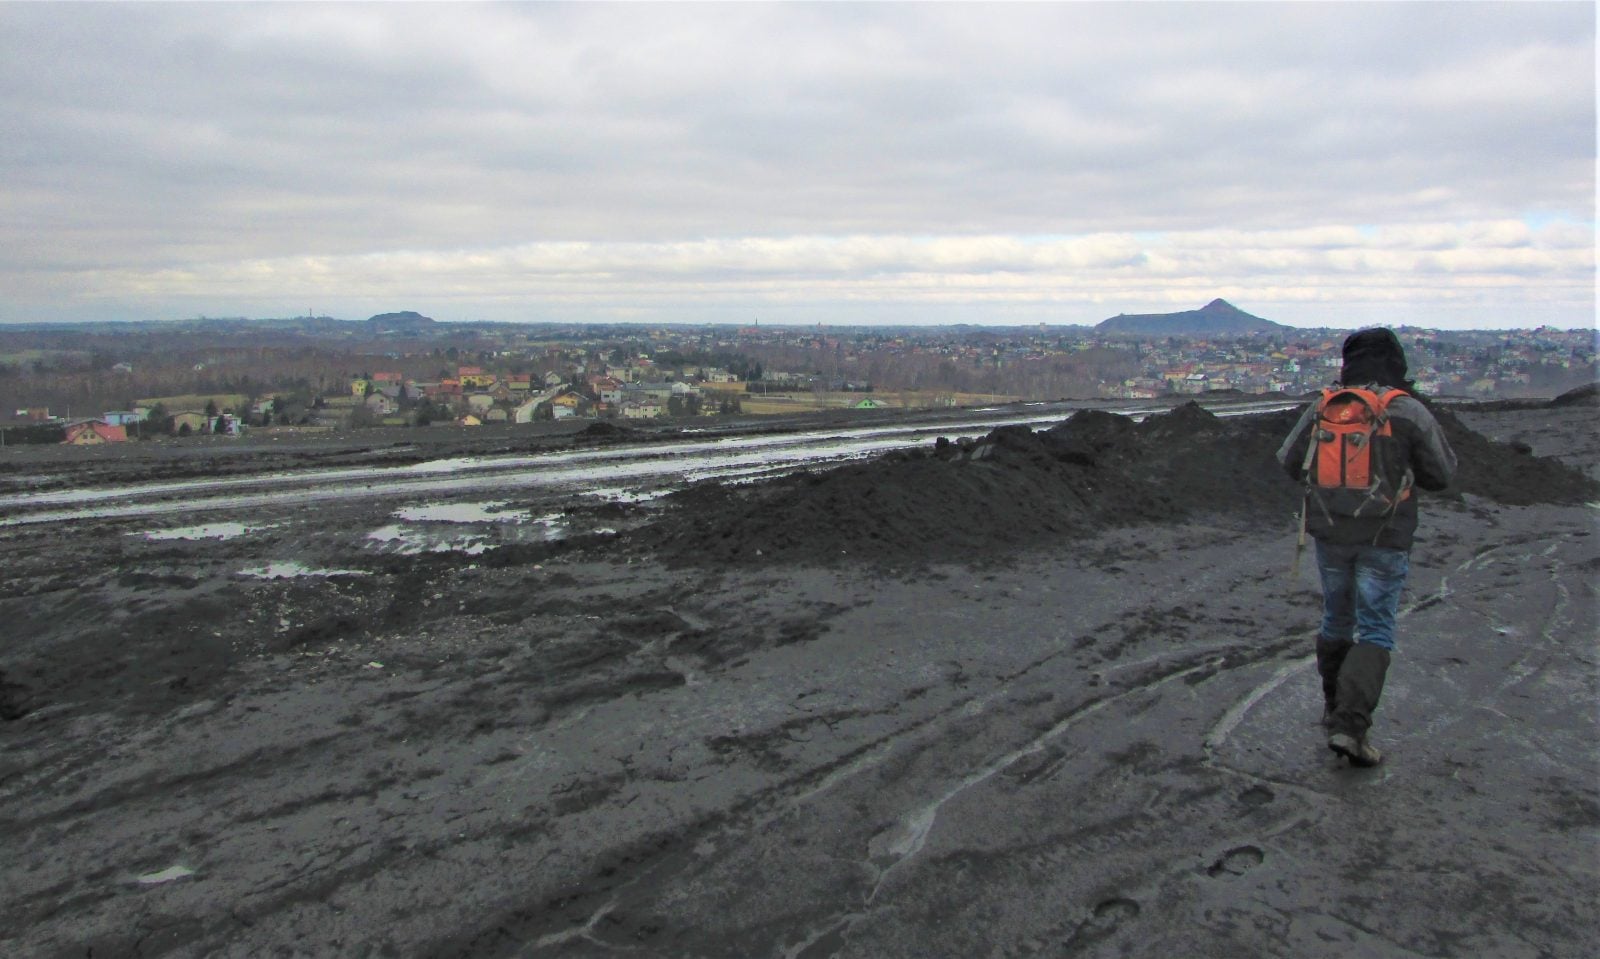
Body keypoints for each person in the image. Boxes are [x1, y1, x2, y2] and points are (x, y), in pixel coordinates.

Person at [1277, 328, 1457, 767]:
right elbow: (1441, 475)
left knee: (1336, 618)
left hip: (1330, 533)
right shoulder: (1407, 410)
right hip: (1386, 536)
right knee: (1375, 628)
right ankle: (1350, 727)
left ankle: (1332, 709)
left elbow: (1288, 460)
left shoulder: (1325, 406)